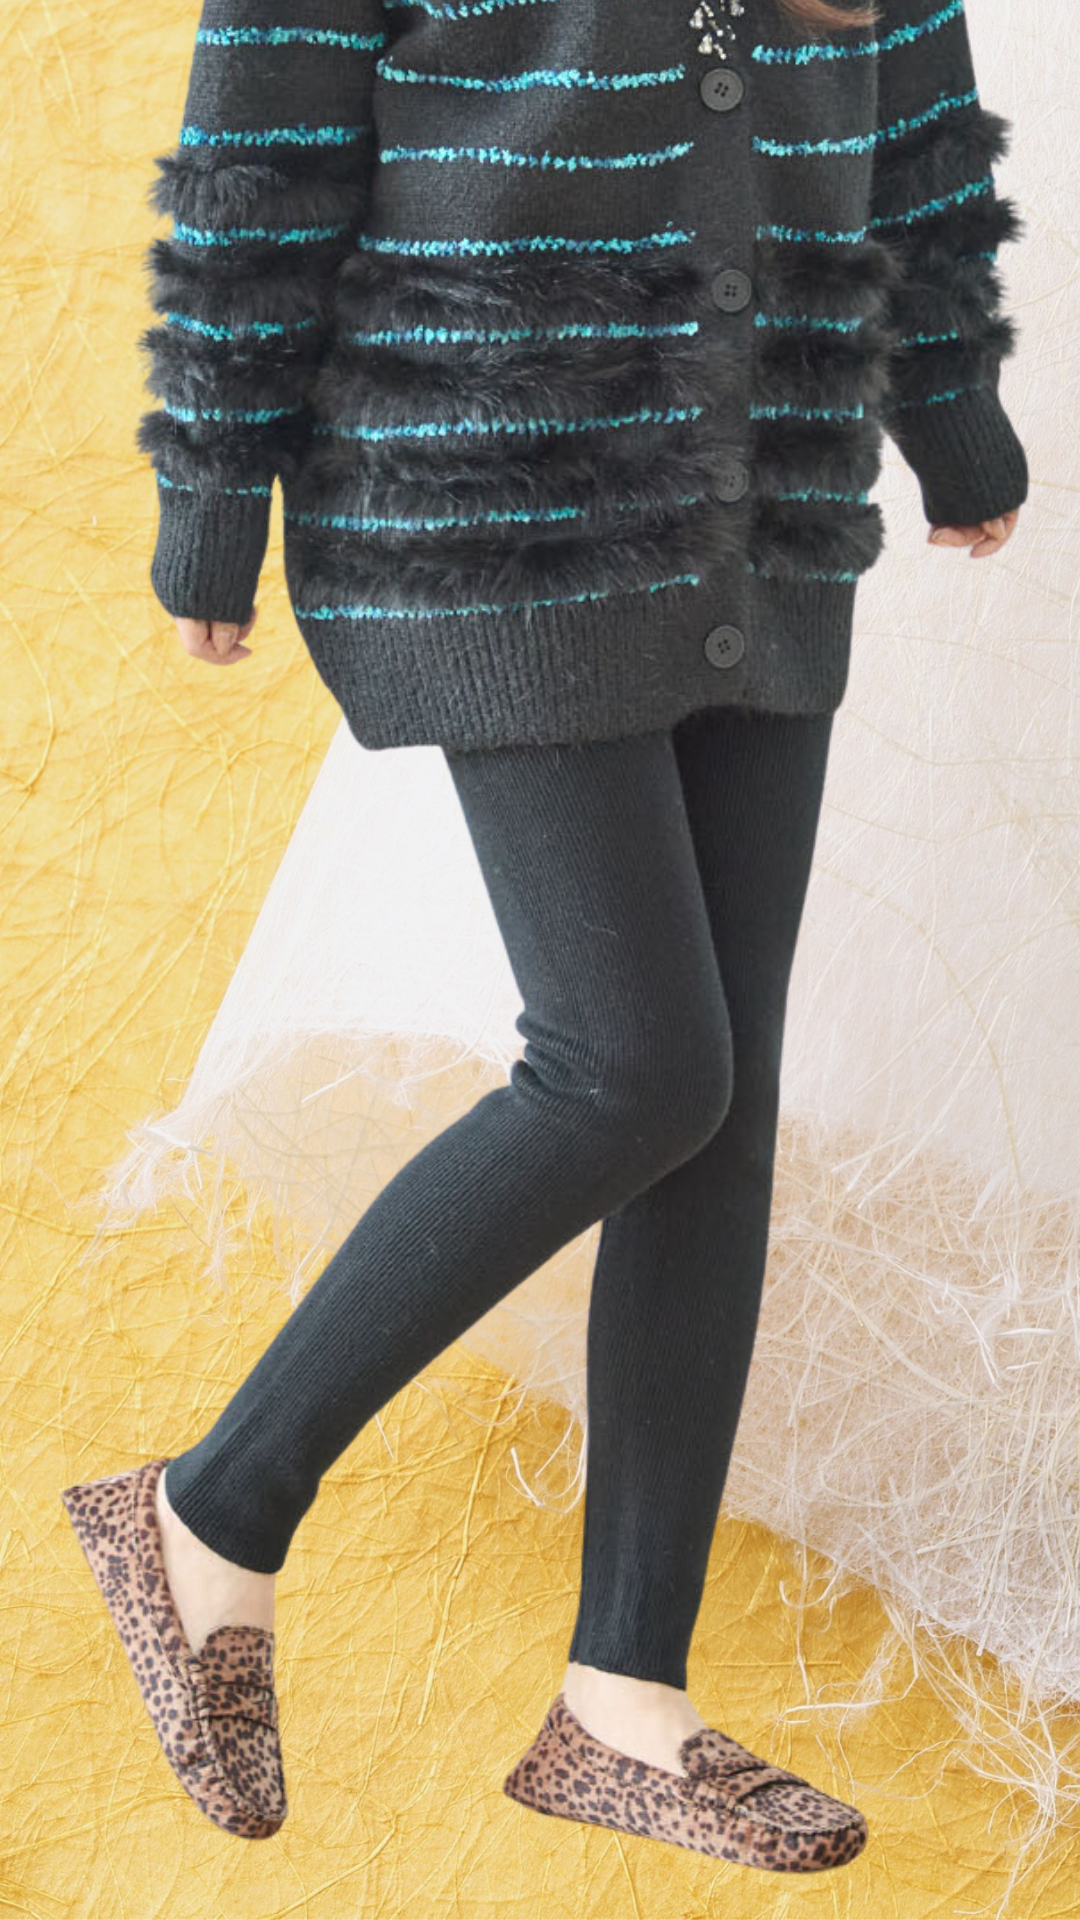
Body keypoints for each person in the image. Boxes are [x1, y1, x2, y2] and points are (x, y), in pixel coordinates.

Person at [62, 0, 1027, 1870]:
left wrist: (950, 409)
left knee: (717, 1107)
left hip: (768, 495)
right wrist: (214, 486)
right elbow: (267, 148)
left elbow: (913, 101)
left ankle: (624, 1696)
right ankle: (214, 1508)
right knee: (633, 1066)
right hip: (491, 489)